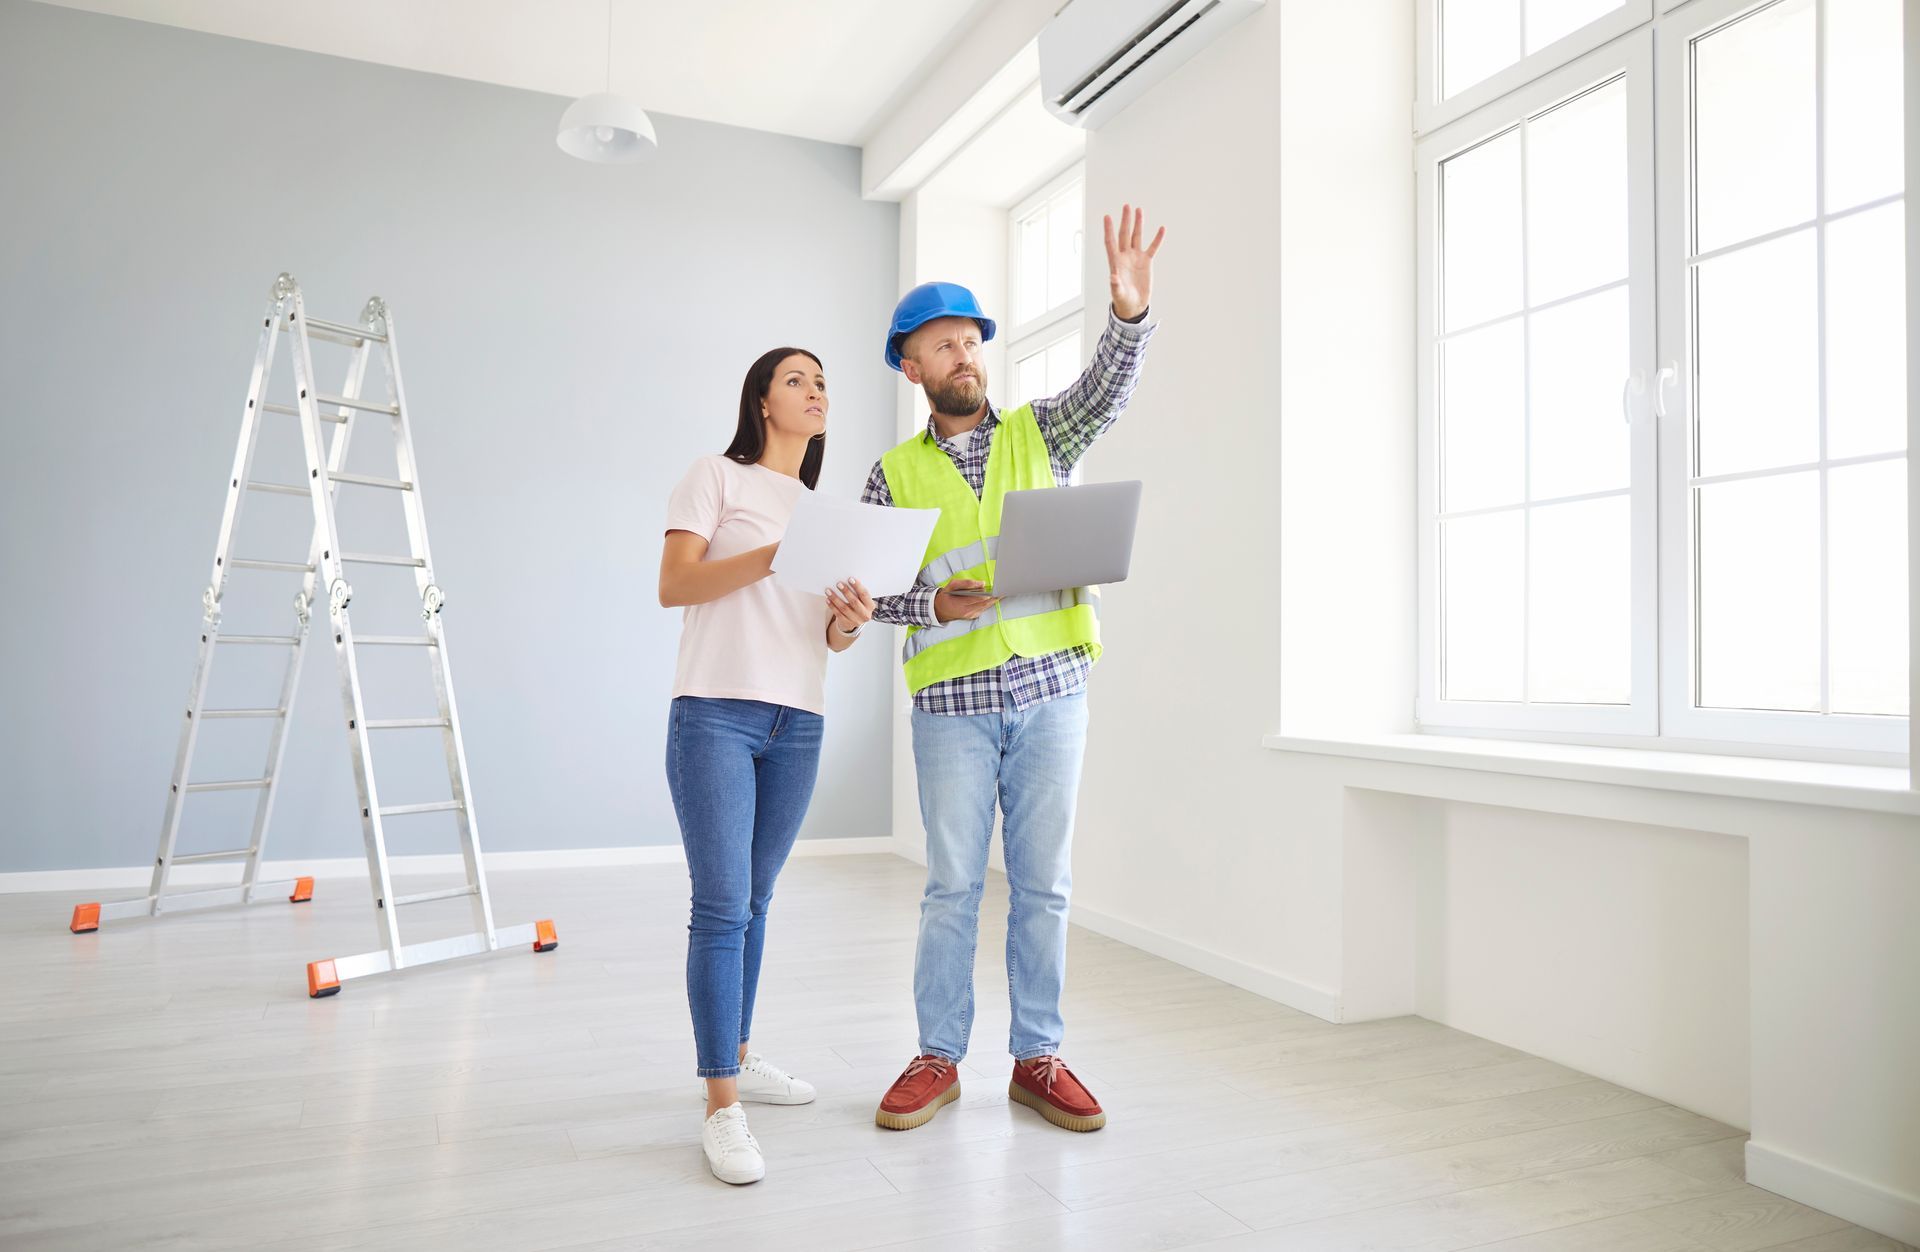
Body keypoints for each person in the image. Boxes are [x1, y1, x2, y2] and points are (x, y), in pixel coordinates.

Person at [865, 206, 1166, 1134]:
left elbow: (1107, 393)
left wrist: (1128, 317)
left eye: (971, 341)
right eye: (942, 345)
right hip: (951, 706)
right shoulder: (889, 476)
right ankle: (937, 1058)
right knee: (952, 885)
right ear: (911, 367)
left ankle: (1038, 1058)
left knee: (1044, 884)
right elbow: (868, 595)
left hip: (1050, 695)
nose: (963, 355)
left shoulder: (1043, 432)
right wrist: (928, 605)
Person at [658, 346, 876, 1184]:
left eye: (824, 381)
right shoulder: (715, 477)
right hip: (714, 711)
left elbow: (827, 635)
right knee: (720, 908)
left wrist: (850, 620)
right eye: (798, 379)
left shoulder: (822, 508)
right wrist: (772, 556)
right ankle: (721, 1105)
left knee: (756, 900)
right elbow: (675, 585)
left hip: (801, 719)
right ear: (761, 399)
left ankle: (737, 1055)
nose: (817, 390)